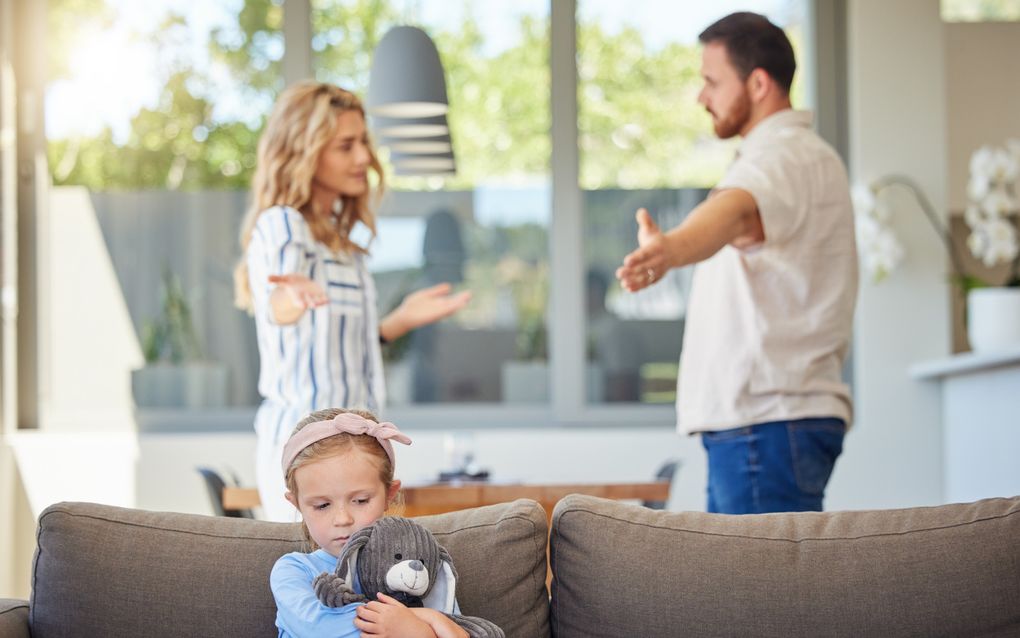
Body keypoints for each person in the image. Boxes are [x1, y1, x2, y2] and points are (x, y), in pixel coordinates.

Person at [615, 12, 857, 514]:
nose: (702, 97)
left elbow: (736, 212)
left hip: (766, 426)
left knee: (757, 593)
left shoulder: (786, 156)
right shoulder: (790, 157)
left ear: (760, 82)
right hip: (766, 425)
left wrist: (670, 249)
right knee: (758, 588)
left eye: (711, 81)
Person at [234, 81, 471, 521]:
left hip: (355, 452)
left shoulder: (342, 244)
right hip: (304, 453)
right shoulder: (285, 226)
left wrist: (397, 323)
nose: (364, 157)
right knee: (316, 582)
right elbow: (277, 305)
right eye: (346, 145)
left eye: (363, 142)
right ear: (304, 151)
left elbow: (338, 344)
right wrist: (291, 295)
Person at [271, 408, 471, 637]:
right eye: (322, 506)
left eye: (360, 500)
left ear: (389, 495)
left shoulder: (419, 566)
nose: (343, 519)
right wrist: (425, 620)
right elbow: (321, 628)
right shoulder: (294, 571)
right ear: (297, 504)